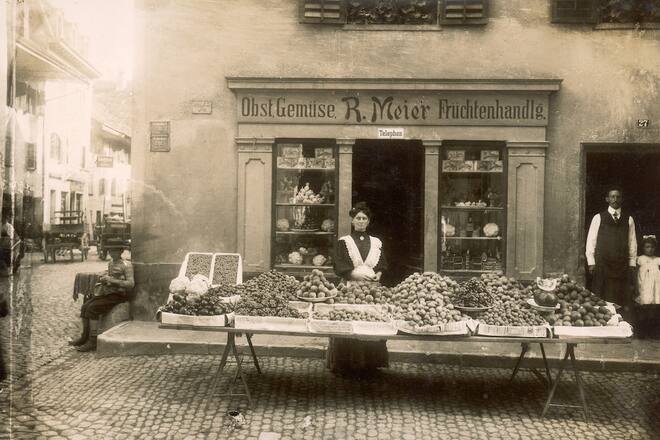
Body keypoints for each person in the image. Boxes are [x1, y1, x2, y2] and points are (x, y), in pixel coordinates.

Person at [328, 202, 388, 375]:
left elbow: (381, 264)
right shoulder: (344, 242)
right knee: (350, 321)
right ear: (352, 221)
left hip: (371, 290)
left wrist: (378, 275)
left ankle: (371, 365)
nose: (361, 221)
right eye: (358, 218)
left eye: (364, 218)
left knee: (371, 321)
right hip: (350, 288)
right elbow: (338, 265)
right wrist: (354, 275)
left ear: (368, 222)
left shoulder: (376, 242)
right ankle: (345, 364)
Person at [586, 187, 637, 318]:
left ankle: (620, 325)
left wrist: (632, 263)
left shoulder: (629, 219)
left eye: (618, 197)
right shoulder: (599, 217)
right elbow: (591, 240)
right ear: (607, 199)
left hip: (621, 265)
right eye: (612, 197)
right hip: (603, 264)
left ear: (622, 199)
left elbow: (632, 242)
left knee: (620, 296)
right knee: (602, 296)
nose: (615, 199)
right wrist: (591, 262)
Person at [70, 246, 134, 352]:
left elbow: (131, 284)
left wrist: (112, 280)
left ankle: (93, 341)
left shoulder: (127, 265)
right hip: (108, 292)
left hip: (120, 295)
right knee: (85, 306)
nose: (112, 253)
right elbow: (110, 278)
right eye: (110, 251)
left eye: (115, 250)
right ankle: (84, 337)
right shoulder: (111, 263)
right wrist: (105, 279)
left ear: (121, 251)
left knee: (92, 308)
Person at [635, 235, 660, 339]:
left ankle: (652, 332)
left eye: (652, 247)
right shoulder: (640, 259)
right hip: (644, 287)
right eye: (647, 247)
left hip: (656, 287)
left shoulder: (658, 260)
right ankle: (642, 333)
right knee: (643, 308)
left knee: (653, 310)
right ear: (643, 248)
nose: (650, 249)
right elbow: (635, 274)